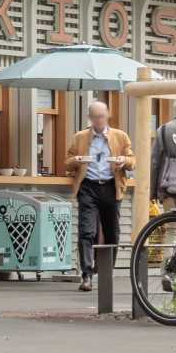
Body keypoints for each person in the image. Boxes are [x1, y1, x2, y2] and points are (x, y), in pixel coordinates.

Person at [65, 99, 135, 292]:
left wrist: (123, 160)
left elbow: (132, 160)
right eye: (95, 117)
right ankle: (86, 275)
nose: (98, 120)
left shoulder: (120, 136)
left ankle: (105, 272)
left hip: (111, 187)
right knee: (87, 231)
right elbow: (68, 161)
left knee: (112, 231)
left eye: (101, 116)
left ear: (108, 115)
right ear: (90, 118)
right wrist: (77, 159)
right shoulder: (80, 137)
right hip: (88, 186)